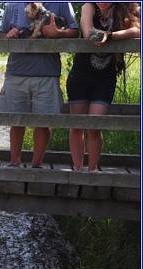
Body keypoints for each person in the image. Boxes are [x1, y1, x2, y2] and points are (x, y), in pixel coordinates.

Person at [0, 2, 78, 168]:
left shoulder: (62, 4)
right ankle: (14, 163)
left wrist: (57, 33)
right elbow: (1, 36)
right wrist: (9, 35)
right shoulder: (12, 5)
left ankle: (36, 165)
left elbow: (75, 31)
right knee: (16, 120)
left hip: (47, 72)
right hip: (16, 71)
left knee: (44, 121)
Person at [67, 3, 140, 171]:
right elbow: (87, 33)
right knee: (76, 125)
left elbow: (137, 30)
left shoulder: (123, 9)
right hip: (80, 75)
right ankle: (78, 170)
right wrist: (98, 36)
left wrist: (111, 35)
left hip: (105, 78)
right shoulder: (88, 7)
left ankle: (92, 171)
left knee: (95, 125)